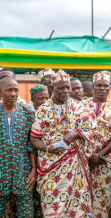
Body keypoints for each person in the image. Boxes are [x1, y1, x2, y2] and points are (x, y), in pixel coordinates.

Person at [30, 70, 96, 217]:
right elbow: (34, 139)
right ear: (52, 88)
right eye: (61, 88)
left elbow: (92, 130)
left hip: (75, 164)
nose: (66, 91)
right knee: (53, 208)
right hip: (51, 167)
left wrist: (76, 133)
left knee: (77, 207)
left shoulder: (80, 107)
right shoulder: (43, 110)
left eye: (68, 87)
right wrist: (48, 149)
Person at [82, 70, 111, 217]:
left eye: (106, 86)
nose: (102, 88)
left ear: (110, 88)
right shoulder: (82, 105)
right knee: (83, 199)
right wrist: (89, 154)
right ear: (93, 87)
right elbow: (78, 132)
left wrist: (100, 154)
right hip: (84, 161)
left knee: (104, 201)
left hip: (106, 161)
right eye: (99, 85)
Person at [0, 77, 37, 217]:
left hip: (23, 172)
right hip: (1, 173)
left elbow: (31, 144)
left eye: (16, 90)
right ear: (0, 93)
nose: (13, 94)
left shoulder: (27, 112)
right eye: (9, 90)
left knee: (27, 213)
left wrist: (33, 169)